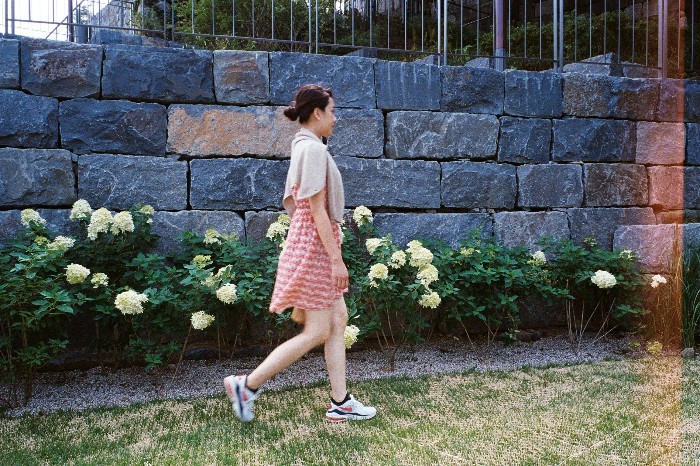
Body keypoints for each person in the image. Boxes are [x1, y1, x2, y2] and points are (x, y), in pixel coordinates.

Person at [223, 84, 377, 423]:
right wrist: (335, 259)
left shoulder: (303, 146)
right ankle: (247, 385)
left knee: (337, 320)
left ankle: (340, 402)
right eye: (332, 111)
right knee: (318, 331)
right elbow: (317, 210)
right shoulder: (314, 150)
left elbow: (295, 205)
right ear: (317, 113)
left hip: (310, 243)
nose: (336, 118)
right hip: (316, 248)